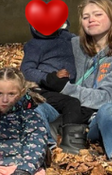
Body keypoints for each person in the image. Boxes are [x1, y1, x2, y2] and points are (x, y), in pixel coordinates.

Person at [33, 0, 112, 175]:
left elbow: (108, 97)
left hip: (97, 120)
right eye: (86, 17)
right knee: (37, 106)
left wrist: (65, 88)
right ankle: (41, 152)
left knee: (109, 108)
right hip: (66, 115)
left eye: (98, 14)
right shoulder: (73, 46)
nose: (91, 19)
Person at [21, 19, 85, 153]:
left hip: (68, 88)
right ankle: (72, 144)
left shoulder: (68, 38)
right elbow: (26, 70)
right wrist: (49, 77)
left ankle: (59, 130)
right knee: (72, 103)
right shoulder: (34, 45)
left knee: (81, 106)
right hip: (43, 89)